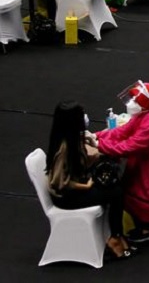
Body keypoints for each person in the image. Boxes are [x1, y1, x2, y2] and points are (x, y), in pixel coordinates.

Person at [95, 82, 149, 240]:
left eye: (136, 100)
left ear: (143, 105)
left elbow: (128, 147)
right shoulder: (144, 116)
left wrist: (98, 145)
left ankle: (148, 226)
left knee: (140, 190)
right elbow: (122, 132)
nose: (132, 103)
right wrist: (97, 135)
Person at [46, 101, 132, 259]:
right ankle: (115, 236)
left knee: (114, 185)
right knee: (116, 192)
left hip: (75, 186)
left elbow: (83, 161)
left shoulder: (71, 139)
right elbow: (59, 183)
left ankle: (116, 233)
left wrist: (95, 145)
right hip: (66, 197)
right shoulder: (64, 148)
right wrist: (86, 186)